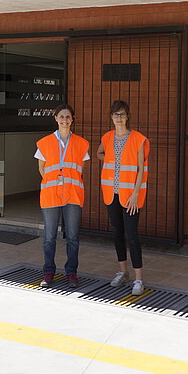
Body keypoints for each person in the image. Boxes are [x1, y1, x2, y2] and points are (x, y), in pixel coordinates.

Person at [97, 100, 149, 296]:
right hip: (112, 193)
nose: (118, 118)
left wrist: (136, 194)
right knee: (117, 233)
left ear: (128, 117)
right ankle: (123, 272)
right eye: (115, 114)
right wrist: (110, 159)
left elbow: (141, 169)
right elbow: (99, 153)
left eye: (122, 114)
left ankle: (138, 278)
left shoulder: (138, 139)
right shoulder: (107, 137)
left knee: (131, 236)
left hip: (130, 196)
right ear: (111, 117)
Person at [35, 104, 89, 289]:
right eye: (62, 117)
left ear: (72, 119)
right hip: (51, 195)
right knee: (49, 237)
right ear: (56, 118)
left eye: (68, 117)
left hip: (73, 195)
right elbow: (42, 169)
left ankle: (71, 273)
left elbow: (80, 170)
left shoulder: (81, 144)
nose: (65, 120)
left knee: (73, 237)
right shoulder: (44, 143)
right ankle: (48, 271)